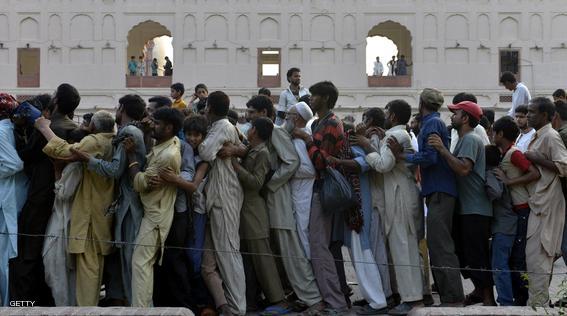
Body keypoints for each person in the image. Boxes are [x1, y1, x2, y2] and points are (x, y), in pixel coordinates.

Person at [222, 95, 323, 312]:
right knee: (280, 251)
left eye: (252, 113)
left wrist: (269, 184)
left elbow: (292, 162)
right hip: (270, 199)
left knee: (290, 250)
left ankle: (314, 299)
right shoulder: (266, 134)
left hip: (278, 198)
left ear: (264, 114)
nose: (248, 117)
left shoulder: (274, 131)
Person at [388, 88, 464, 306]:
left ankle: (453, 298)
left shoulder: (432, 124)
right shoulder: (433, 122)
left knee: (440, 245)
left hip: (440, 189)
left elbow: (430, 158)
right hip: (435, 189)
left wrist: (401, 155)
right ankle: (448, 295)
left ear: (421, 103)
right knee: (436, 244)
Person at [70, 94, 147, 305]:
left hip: (131, 203)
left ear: (122, 108)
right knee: (124, 259)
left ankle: (137, 307)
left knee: (131, 260)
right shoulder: (128, 131)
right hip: (125, 202)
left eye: (118, 106)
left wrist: (88, 159)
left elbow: (114, 170)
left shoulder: (129, 132)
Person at [36, 110, 116, 306]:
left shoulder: (96, 141)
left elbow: (64, 151)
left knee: (83, 271)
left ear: (94, 128)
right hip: (98, 214)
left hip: (87, 218)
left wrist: (44, 128)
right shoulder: (113, 141)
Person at [356, 100, 423, 315]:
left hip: (399, 197)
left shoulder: (396, 136)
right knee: (405, 249)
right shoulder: (397, 134)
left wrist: (366, 145)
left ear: (393, 116)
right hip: (402, 194)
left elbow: (383, 165)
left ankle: (411, 298)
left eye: (386, 112)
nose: (384, 115)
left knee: (403, 249)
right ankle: (411, 296)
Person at [428, 100, 495, 306]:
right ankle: (478, 292)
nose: (452, 117)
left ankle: (488, 299)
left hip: (475, 209)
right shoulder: (465, 139)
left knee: (477, 255)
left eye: (456, 113)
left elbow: (464, 169)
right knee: (467, 254)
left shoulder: (471, 139)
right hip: (467, 207)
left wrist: (441, 149)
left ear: (465, 118)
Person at [292, 81, 349, 313]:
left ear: (325, 98)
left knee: (319, 246)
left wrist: (306, 141)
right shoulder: (319, 123)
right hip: (318, 189)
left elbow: (322, 161)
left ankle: (335, 302)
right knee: (322, 246)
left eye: (314, 96)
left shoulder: (331, 124)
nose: (311, 99)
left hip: (324, 189)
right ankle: (334, 297)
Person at [231, 117, 291, 314]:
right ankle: (253, 299)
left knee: (262, 258)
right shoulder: (254, 149)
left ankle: (279, 299)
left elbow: (257, 183)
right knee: (249, 259)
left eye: (250, 128)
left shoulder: (262, 153)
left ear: (254, 131)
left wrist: (236, 166)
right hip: (246, 210)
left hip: (254, 211)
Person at [126, 107, 183, 307]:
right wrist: (149, 132)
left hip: (155, 216)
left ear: (169, 128)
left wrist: (131, 157)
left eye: (157, 124)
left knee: (140, 263)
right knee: (145, 263)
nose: (153, 125)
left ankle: (140, 311)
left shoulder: (167, 155)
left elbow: (140, 183)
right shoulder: (170, 142)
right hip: (156, 212)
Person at [159, 115, 214, 312]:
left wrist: (171, 178)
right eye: (189, 134)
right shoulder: (182, 151)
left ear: (204, 136)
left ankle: (204, 301)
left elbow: (192, 186)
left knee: (194, 258)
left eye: (197, 135)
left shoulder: (204, 159)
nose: (192, 138)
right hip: (184, 211)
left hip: (198, 211)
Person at [198, 91, 246, 315]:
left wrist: (200, 141)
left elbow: (206, 152)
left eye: (206, 106)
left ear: (209, 108)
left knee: (229, 252)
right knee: (209, 261)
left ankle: (238, 309)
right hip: (217, 196)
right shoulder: (223, 127)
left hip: (224, 195)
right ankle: (225, 306)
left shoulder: (221, 127)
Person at [491, 116, 540, 306]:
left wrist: (508, 181)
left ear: (501, 134)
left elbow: (533, 173)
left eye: (494, 132)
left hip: (522, 210)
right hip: (513, 211)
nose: (492, 135)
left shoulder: (514, 153)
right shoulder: (504, 154)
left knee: (519, 258)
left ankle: (521, 300)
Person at [523, 97, 567, 305]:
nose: (529, 115)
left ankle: (538, 307)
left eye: (532, 112)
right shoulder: (537, 135)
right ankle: (539, 305)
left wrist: (537, 158)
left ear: (545, 116)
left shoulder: (550, 136)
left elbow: (564, 166)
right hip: (538, 203)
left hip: (547, 205)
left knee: (539, 260)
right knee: (534, 261)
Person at [0, 94, 28, 306]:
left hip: (8, 199)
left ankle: (8, 305)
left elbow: (14, 165)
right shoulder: (9, 129)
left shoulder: (1, 131)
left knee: (6, 257)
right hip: (13, 196)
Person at [484, 145, 515, 306]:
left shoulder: (491, 173)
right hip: (507, 223)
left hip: (503, 225)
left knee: (499, 265)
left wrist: (483, 195)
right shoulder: (498, 170)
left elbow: (495, 192)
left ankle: (506, 302)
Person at [286, 102, 315, 258]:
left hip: (303, 189)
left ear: (296, 118)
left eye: (288, 115)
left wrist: (287, 172)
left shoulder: (301, 137)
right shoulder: (297, 135)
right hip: (297, 188)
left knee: (302, 231)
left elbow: (309, 170)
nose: (286, 118)